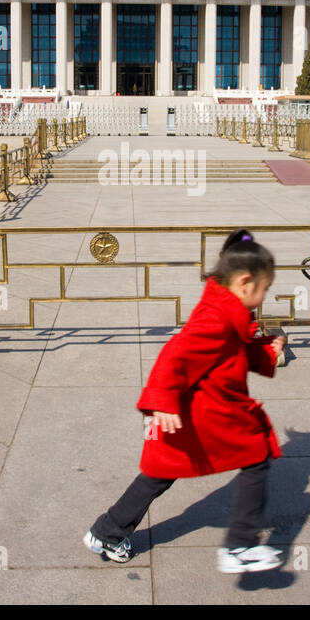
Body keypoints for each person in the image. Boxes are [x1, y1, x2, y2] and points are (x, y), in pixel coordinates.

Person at [85, 229, 289, 574]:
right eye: (264, 288)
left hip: (195, 412)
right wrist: (161, 400)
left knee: (158, 474)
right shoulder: (218, 316)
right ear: (243, 282)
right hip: (206, 413)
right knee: (258, 454)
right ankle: (240, 546)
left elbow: (231, 354)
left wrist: (265, 350)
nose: (264, 295)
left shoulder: (226, 307)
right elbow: (176, 353)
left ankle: (106, 531)